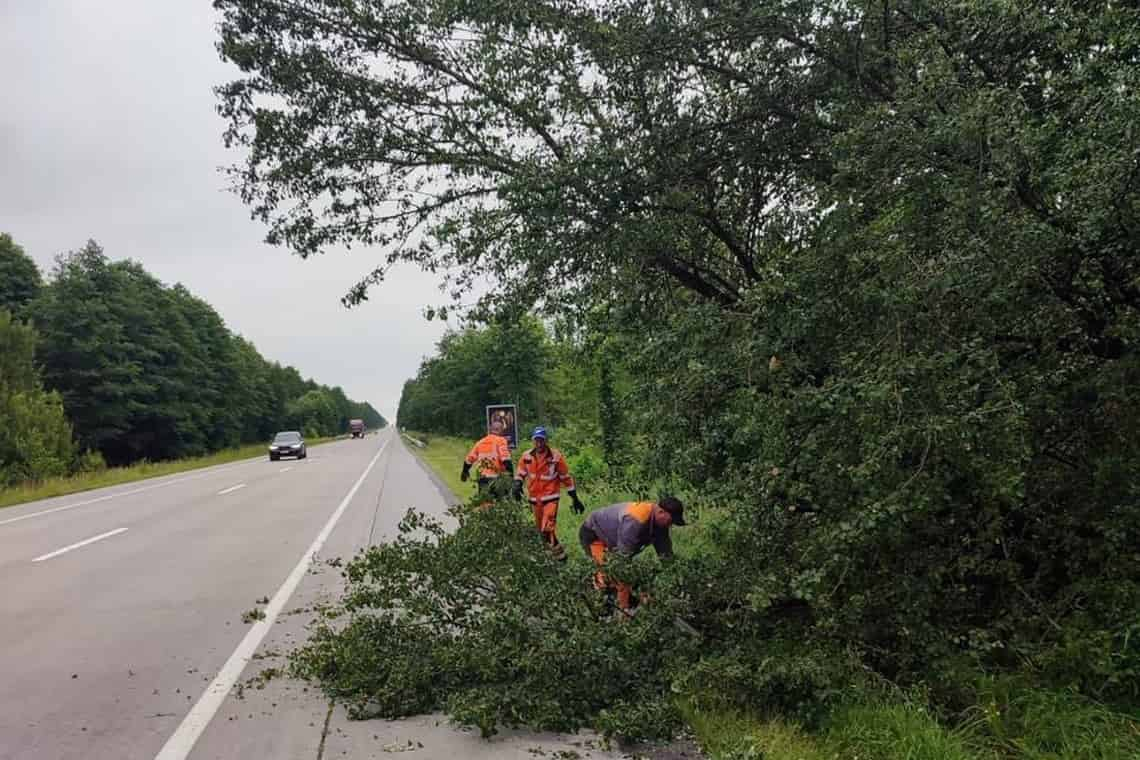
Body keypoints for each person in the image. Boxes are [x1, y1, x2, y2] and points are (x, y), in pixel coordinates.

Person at [578, 497, 686, 611]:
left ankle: (623, 604)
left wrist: (676, 583)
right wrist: (624, 607)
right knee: (608, 578)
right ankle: (606, 608)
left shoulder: (660, 524)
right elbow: (621, 563)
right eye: (670, 521)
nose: (670, 525)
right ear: (661, 512)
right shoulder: (635, 520)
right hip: (596, 536)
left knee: (626, 583)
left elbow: (666, 555)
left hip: (615, 543)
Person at [512, 426, 584, 560]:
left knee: (547, 528)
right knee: (541, 531)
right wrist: (517, 484)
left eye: (541, 440)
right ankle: (558, 556)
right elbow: (521, 472)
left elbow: (566, 478)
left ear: (546, 441)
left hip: (551, 498)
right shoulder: (527, 456)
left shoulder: (555, 457)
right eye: (536, 440)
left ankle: (557, 558)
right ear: (533, 440)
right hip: (534, 500)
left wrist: (575, 498)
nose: (539, 443)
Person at [461, 420, 513, 498]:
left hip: (483, 479)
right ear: (501, 430)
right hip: (497, 479)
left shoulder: (480, 442)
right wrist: (511, 477)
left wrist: (464, 472)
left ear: (490, 429)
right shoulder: (501, 440)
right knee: (500, 505)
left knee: (484, 505)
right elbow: (506, 460)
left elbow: (469, 460)